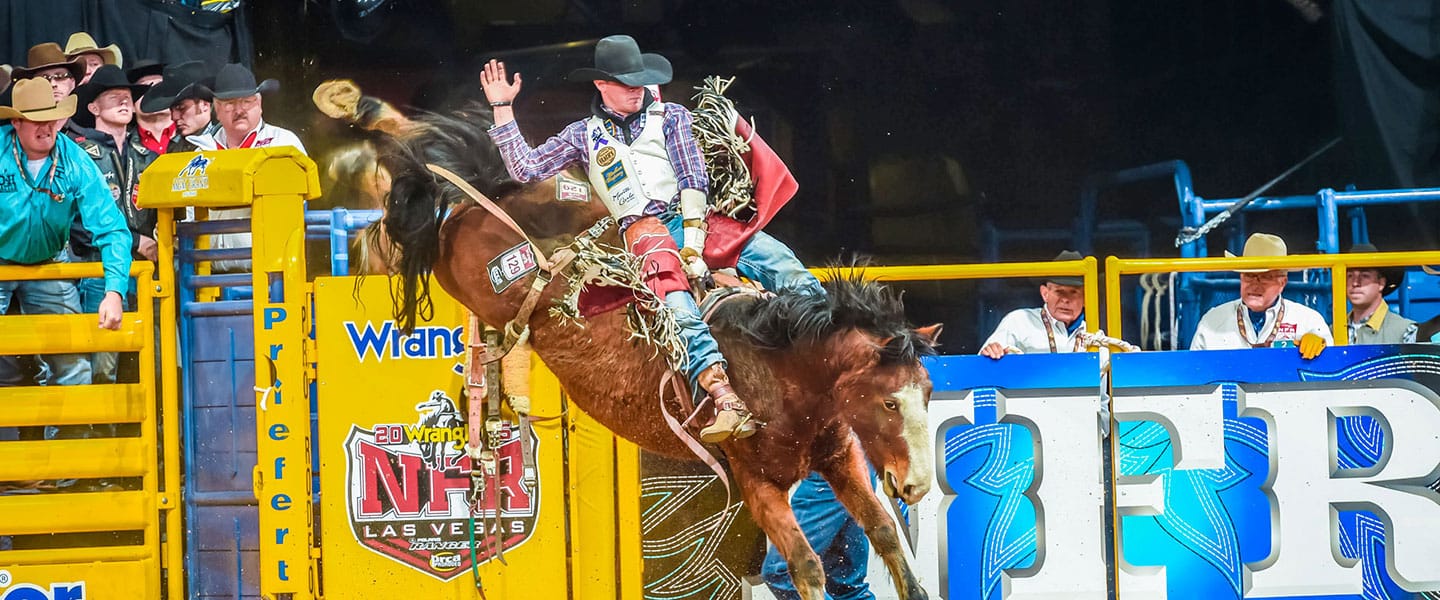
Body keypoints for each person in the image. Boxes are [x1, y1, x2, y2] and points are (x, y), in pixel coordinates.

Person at [479, 35, 762, 442]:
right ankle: (722, 394)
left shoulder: (670, 116)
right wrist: (503, 108)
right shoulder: (583, 134)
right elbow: (526, 169)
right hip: (641, 230)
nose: (637, 89)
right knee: (673, 295)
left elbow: (692, 177)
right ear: (601, 85)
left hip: (690, 216)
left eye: (640, 81)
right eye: (627, 82)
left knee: (771, 256)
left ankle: (837, 334)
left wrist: (695, 240)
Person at [0, 78, 132, 390]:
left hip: (49, 263)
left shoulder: (75, 161)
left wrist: (114, 291)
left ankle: (68, 436)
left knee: (73, 367)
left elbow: (112, 228)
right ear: (16, 122)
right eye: (35, 120)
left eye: (50, 119)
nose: (45, 128)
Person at [69, 66, 158, 383]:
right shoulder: (78, 152)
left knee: (149, 360)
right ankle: (102, 429)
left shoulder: (146, 155)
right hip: (98, 268)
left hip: (145, 272)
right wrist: (137, 241)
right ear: (93, 107)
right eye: (113, 97)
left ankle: (147, 431)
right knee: (103, 361)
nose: (124, 102)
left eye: (128, 97)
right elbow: (75, 222)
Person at [188, 63, 306, 273]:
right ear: (216, 109)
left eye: (247, 102)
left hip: (271, 273)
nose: (239, 110)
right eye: (229, 103)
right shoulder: (202, 153)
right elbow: (188, 208)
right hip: (210, 278)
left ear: (259, 104)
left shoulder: (283, 145)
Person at [1190, 233, 1331, 357]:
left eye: (1265, 277)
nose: (1255, 284)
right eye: (1249, 275)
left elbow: (1330, 373)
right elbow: (1194, 374)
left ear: (1283, 282)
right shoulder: (1212, 321)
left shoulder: (1309, 322)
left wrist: (1324, 354)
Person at [980, 250, 1088, 358]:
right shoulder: (1019, 321)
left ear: (1086, 298)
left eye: (1074, 292)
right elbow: (981, 367)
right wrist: (991, 353)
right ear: (1045, 294)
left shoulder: (1095, 334)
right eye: (1059, 291)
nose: (1065, 299)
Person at [1345, 243, 1417, 344]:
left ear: (1381, 283)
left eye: (1365, 276)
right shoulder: (1330, 332)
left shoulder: (1406, 332)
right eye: (1350, 276)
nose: (1355, 283)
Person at [140, 61, 218, 153]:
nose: (174, 117)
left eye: (181, 108)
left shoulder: (226, 139)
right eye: (171, 110)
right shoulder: (174, 148)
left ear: (204, 105)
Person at [127, 60, 175, 154]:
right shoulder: (123, 147)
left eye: (160, 87)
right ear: (131, 105)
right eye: (145, 89)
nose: (154, 93)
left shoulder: (196, 137)